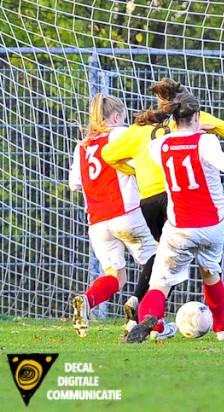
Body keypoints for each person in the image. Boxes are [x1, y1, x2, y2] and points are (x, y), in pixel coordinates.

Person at [102, 78, 224, 340]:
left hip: (178, 226)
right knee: (211, 273)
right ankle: (222, 330)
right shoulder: (206, 141)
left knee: (160, 282)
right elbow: (219, 157)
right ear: (197, 116)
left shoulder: (159, 146)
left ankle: (147, 322)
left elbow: (156, 150)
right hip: (211, 225)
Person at [69, 93, 157, 338]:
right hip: (126, 213)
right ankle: (149, 320)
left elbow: (75, 183)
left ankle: (86, 300)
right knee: (157, 262)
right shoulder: (120, 133)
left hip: (97, 221)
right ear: (117, 116)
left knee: (116, 277)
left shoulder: (82, 146)